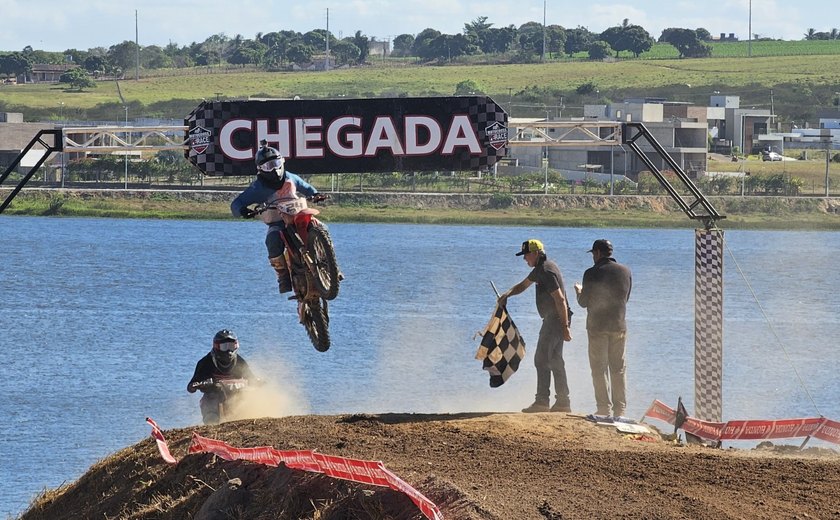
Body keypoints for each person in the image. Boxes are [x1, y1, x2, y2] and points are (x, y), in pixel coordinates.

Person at [230, 140, 324, 294]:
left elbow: (306, 187)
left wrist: (315, 195)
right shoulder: (258, 187)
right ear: (260, 169)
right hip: (278, 223)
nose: (274, 169)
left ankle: (329, 263)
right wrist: (242, 210)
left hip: (299, 216)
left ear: (282, 161)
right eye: (268, 166)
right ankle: (283, 275)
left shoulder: (290, 177)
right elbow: (236, 204)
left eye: (276, 163)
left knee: (319, 226)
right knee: (272, 240)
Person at [498, 239, 573, 413]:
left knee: (541, 359)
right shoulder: (540, 269)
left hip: (555, 320)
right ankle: (563, 402)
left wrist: (565, 326)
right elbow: (523, 285)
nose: (525, 259)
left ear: (536, 254)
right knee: (555, 360)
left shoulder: (546, 270)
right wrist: (507, 294)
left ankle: (542, 402)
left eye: (526, 255)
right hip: (554, 320)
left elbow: (560, 299)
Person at [573, 239, 632, 418]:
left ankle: (603, 408)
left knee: (599, 368)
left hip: (597, 327)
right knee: (618, 369)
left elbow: (583, 303)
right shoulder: (625, 271)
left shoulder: (591, 273)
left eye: (593, 254)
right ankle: (620, 410)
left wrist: (579, 291)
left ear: (597, 253)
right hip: (619, 326)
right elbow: (626, 298)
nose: (592, 257)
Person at [187, 329, 258, 425]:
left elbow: (251, 379)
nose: (229, 351)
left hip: (235, 398)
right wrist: (202, 384)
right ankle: (211, 427)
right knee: (211, 413)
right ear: (217, 347)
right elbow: (191, 387)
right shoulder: (205, 363)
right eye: (224, 347)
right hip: (213, 399)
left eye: (231, 346)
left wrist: (258, 382)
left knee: (246, 399)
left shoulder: (240, 362)